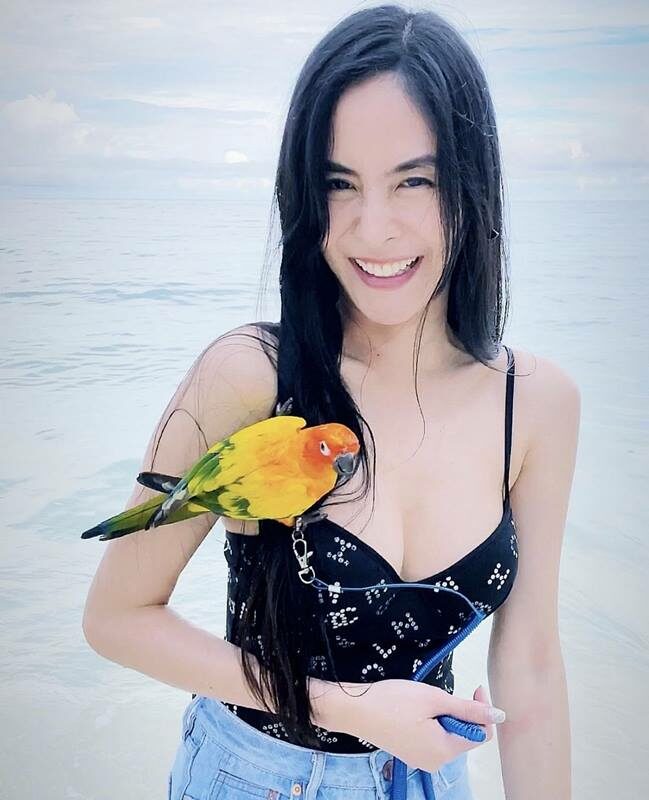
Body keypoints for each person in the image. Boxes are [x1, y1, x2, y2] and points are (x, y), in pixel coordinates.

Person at [82, 5, 579, 799]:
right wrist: (343, 706)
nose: (372, 229)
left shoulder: (537, 403)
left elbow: (530, 666)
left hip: (432, 782)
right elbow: (116, 618)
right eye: (337, 184)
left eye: (414, 180)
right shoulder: (251, 375)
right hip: (256, 778)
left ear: (471, 185)